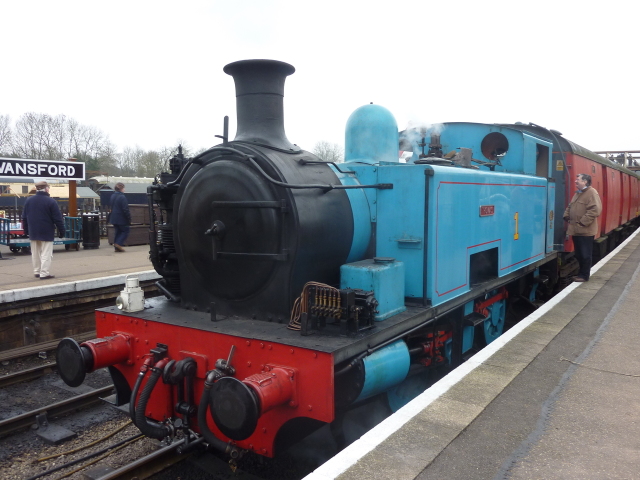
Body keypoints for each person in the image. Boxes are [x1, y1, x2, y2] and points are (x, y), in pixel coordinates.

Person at [21, 180, 65, 280]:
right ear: (46, 189)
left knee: (35, 253)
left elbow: (24, 217)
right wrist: (62, 231)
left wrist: (26, 231)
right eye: (48, 188)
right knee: (46, 253)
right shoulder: (51, 201)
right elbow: (57, 219)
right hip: (46, 231)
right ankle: (44, 273)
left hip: (33, 230)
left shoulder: (29, 200)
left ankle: (37, 271)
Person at [563, 173, 602, 282]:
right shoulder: (578, 193)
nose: (575, 181)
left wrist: (582, 223)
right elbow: (570, 206)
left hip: (585, 230)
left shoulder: (592, 193)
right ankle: (581, 274)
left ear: (585, 182)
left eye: (578, 180)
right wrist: (566, 216)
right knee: (579, 254)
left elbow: (595, 210)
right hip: (576, 230)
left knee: (585, 254)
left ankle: (584, 276)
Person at [110, 182, 131, 252]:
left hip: (113, 217)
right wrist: (129, 218)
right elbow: (125, 209)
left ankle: (116, 247)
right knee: (125, 231)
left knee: (117, 232)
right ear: (121, 189)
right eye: (124, 188)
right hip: (121, 218)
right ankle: (118, 244)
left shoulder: (112, 196)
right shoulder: (122, 197)